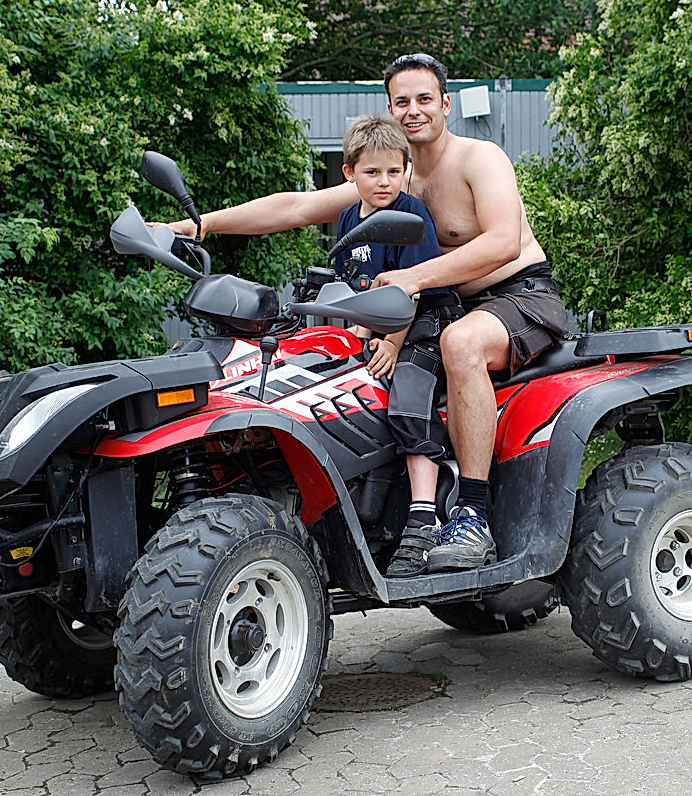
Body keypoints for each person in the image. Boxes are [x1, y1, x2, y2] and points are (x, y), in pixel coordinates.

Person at [159, 54, 569, 573]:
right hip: (439, 307)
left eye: (425, 99)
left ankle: (472, 515)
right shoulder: (389, 174)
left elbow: (504, 242)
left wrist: (414, 278)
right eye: (403, 101)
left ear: (446, 104)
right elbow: (297, 207)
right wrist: (196, 227)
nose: (414, 110)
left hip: (516, 295)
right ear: (390, 109)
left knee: (460, 343)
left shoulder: (478, 158)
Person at [331, 115, 464, 577]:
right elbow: (354, 284)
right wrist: (359, 334)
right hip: (379, 325)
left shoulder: (410, 216)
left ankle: (423, 517)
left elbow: (413, 290)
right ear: (349, 173)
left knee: (407, 399)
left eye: (393, 171)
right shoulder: (349, 219)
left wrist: (390, 343)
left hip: (424, 324)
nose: (384, 182)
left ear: (406, 169)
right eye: (372, 172)